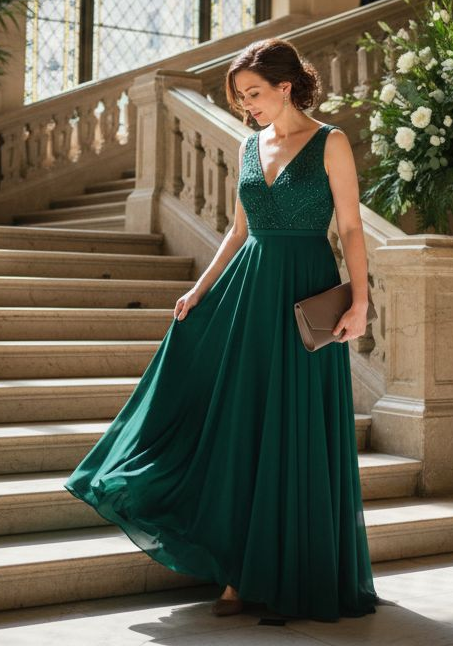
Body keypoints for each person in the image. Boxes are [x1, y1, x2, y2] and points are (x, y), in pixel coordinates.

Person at [64, 38, 378, 620]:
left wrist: (361, 303)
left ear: (286, 86)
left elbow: (353, 230)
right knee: (243, 427)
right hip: (251, 293)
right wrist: (199, 289)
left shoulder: (331, 142)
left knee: (294, 429)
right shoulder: (249, 145)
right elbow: (237, 232)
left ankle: (296, 571)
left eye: (255, 93)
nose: (248, 106)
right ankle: (237, 574)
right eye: (240, 97)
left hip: (306, 290)